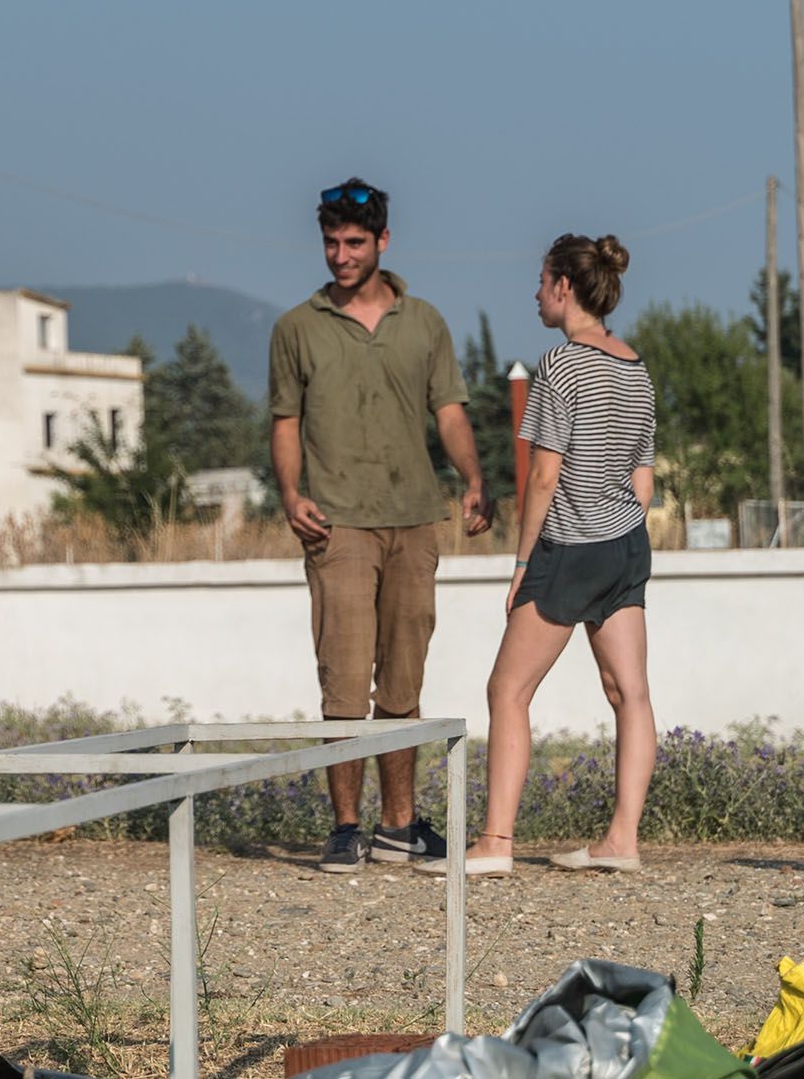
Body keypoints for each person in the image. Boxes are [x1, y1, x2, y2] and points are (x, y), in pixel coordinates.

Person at [268, 178, 491, 875]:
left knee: (403, 682)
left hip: (413, 519)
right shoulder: (296, 327)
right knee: (342, 681)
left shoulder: (424, 322)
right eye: (332, 243)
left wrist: (474, 479)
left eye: (355, 243)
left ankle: (399, 825)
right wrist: (290, 492)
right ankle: (345, 827)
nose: (341, 255)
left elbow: (449, 410)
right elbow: (284, 421)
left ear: (383, 242)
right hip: (336, 525)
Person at [427, 234, 656, 878]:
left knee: (508, 688)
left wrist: (524, 563)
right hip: (626, 545)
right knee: (630, 693)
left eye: (541, 280)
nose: (534, 293)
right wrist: (624, 537)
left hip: (569, 548)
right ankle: (621, 840)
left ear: (563, 287)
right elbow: (642, 475)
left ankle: (495, 843)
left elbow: (545, 477)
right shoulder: (636, 367)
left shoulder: (560, 366)